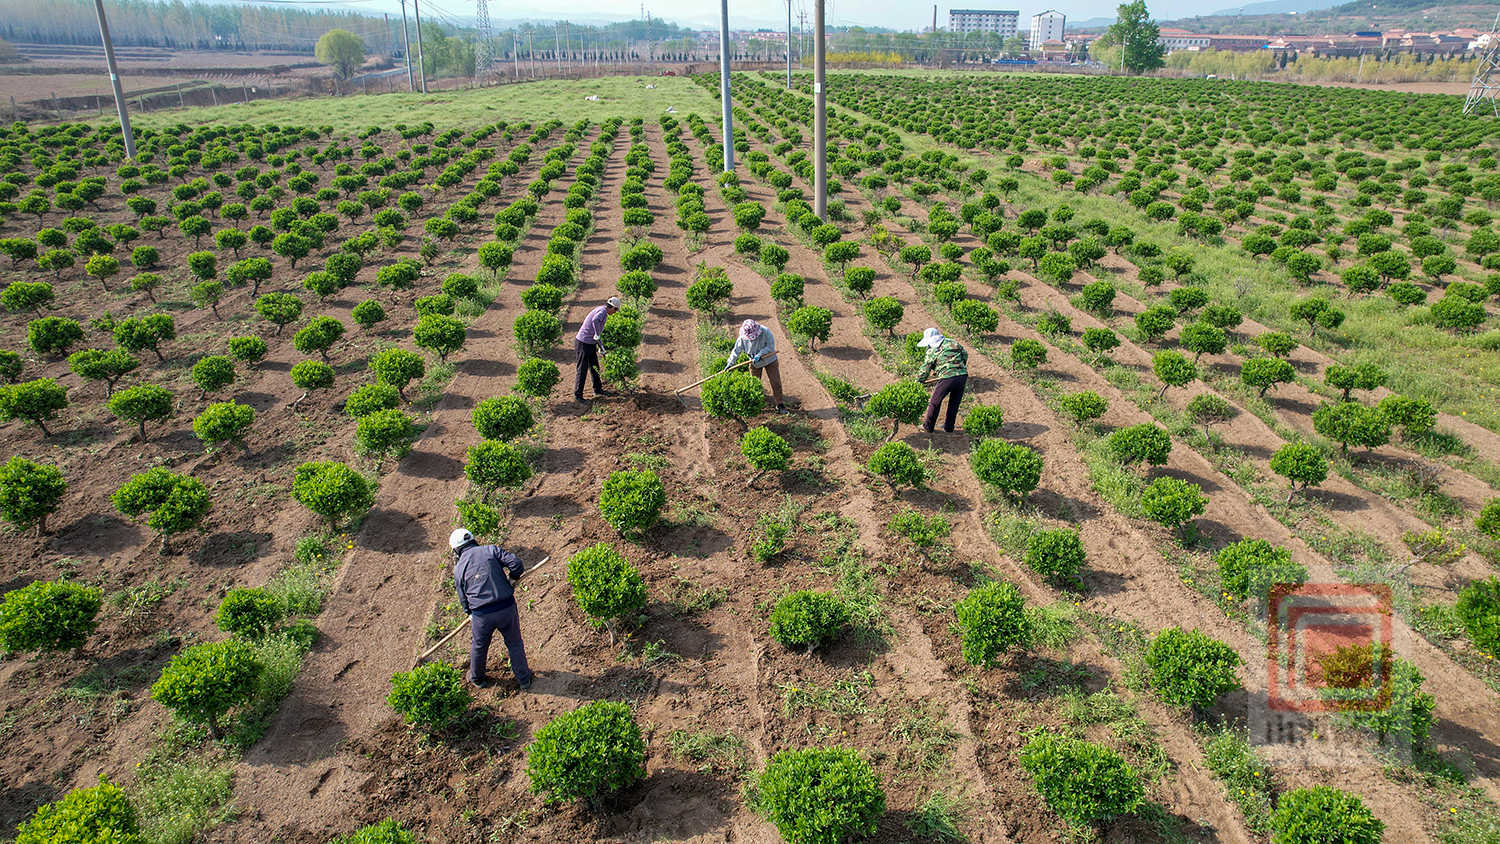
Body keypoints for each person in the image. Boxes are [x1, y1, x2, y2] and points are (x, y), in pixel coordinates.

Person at [450, 528, 533, 690]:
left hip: (482, 615)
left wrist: (469, 612)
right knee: (514, 643)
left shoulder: (459, 568)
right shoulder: (490, 550)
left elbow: (462, 596)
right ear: (472, 540)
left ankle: (477, 678)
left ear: (456, 549)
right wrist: (512, 579)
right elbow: (516, 564)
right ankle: (524, 680)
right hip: (506, 607)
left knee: (479, 646)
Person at [725, 318, 787, 412]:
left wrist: (760, 354)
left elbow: (770, 346)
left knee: (776, 382)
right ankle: (756, 404)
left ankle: (780, 404)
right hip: (754, 363)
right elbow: (736, 351)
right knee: (754, 383)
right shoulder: (742, 338)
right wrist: (730, 363)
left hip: (770, 360)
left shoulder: (765, 331)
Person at [916, 327, 969, 434]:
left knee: (934, 402)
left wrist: (919, 381)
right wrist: (958, 367)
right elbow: (965, 355)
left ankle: (928, 427)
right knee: (954, 403)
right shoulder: (953, 342)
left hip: (947, 378)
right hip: (962, 376)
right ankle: (949, 427)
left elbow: (925, 368)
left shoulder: (932, 350)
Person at [574, 296, 620, 402]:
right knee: (582, 369)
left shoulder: (603, 311)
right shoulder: (602, 312)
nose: (615, 312)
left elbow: (597, 334)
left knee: (595, 367)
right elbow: (595, 321)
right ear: (612, 307)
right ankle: (578, 395)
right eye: (616, 310)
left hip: (590, 343)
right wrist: (596, 334)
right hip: (583, 343)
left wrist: (601, 346)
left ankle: (598, 390)